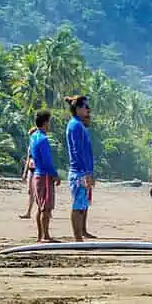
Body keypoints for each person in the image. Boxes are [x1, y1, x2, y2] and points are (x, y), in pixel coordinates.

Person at [65, 95, 96, 242]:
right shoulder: (75, 125)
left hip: (82, 171)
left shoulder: (79, 125)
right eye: (85, 107)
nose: (88, 110)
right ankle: (78, 238)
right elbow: (78, 151)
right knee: (78, 206)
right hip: (79, 171)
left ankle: (80, 235)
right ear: (77, 109)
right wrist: (86, 173)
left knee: (82, 205)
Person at [29, 110, 61, 242]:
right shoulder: (43, 139)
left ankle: (40, 235)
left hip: (37, 174)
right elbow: (47, 160)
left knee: (40, 207)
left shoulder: (33, 137)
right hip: (45, 175)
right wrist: (55, 175)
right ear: (46, 122)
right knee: (46, 208)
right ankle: (45, 235)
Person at [19, 128, 36, 220]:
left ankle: (46, 210)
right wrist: (25, 172)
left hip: (38, 170)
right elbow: (28, 160)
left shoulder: (40, 143)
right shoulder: (30, 147)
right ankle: (28, 212)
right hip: (31, 169)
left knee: (39, 192)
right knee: (30, 191)